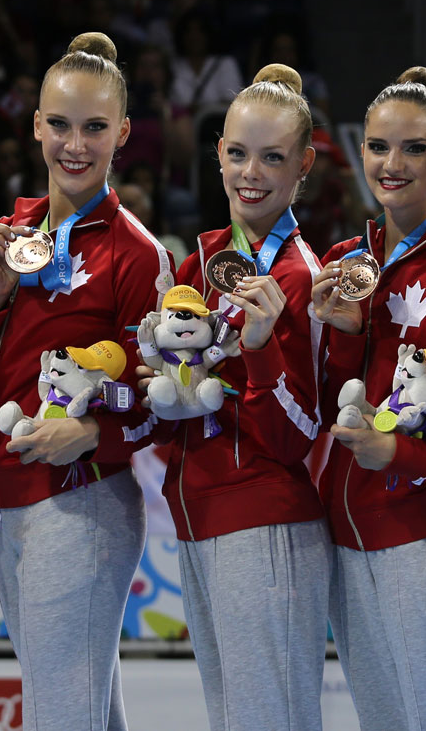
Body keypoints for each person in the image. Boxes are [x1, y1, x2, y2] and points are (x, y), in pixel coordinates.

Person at [0, 33, 171, 731]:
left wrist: (91, 430)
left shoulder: (138, 253)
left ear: (122, 132)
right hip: (11, 496)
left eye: (94, 128)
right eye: (59, 124)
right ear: (35, 125)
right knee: (84, 712)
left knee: (66, 714)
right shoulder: (9, 235)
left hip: (84, 504)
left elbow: (158, 401)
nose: (74, 145)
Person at [139, 63, 329, 731]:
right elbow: (179, 418)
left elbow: (296, 438)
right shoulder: (200, 264)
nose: (253, 172)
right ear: (218, 152)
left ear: (304, 164)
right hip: (199, 517)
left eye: (273, 158)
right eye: (240, 153)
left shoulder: (302, 277)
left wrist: (260, 342)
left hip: (267, 525)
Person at [311, 66, 426, 731]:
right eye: (380, 146)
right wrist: (348, 338)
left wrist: (395, 451)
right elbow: (327, 401)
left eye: (414, 149)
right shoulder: (343, 261)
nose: (393, 164)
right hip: (348, 541)